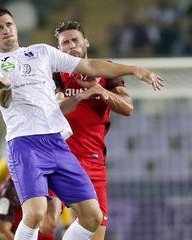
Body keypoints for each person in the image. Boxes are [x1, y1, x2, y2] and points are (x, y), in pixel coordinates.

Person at [0, 6, 163, 240]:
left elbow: (92, 66)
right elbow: (1, 99)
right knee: (36, 215)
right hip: (25, 143)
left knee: (92, 218)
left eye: (8, 25)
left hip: (57, 142)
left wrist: (136, 70)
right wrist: (4, 87)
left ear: (15, 26)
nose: (5, 30)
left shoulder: (42, 52)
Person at [53, 20, 133, 240]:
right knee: (47, 220)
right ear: (60, 49)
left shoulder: (106, 71)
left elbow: (127, 108)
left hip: (93, 160)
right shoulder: (57, 74)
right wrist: (81, 96)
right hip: (59, 157)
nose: (71, 46)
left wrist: (100, 91)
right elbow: (55, 109)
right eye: (65, 43)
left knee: (95, 234)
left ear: (85, 42)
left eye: (75, 40)